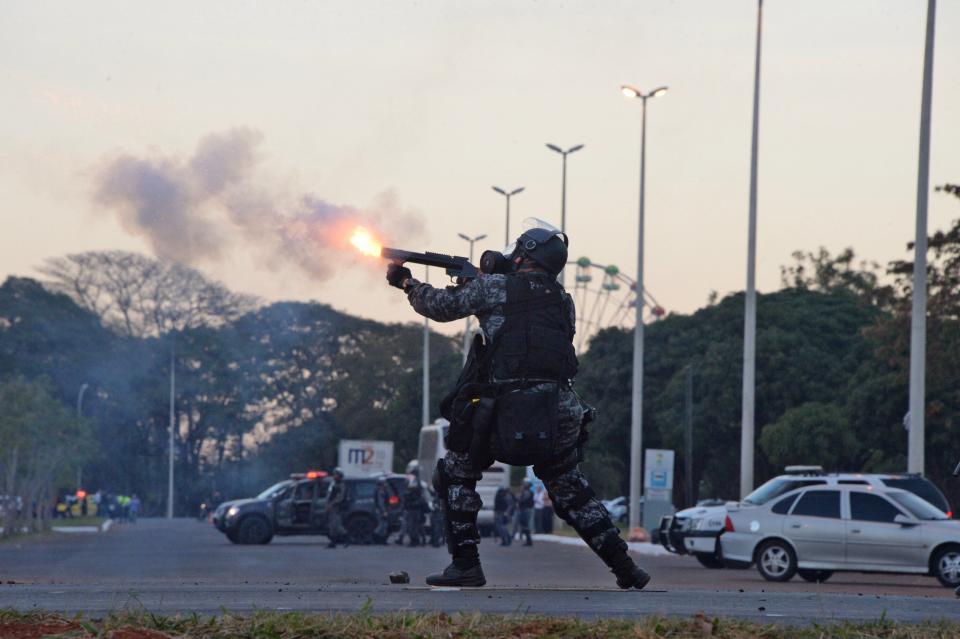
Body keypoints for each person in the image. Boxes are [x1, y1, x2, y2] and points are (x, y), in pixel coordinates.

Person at [385, 218, 650, 589]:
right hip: (558, 409)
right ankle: (626, 568)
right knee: (571, 488)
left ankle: (466, 565)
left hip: (505, 408)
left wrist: (408, 283)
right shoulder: (564, 301)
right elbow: (529, 325)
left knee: (456, 473)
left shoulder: (494, 288)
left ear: (525, 254)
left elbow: (441, 306)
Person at [325, 468, 349, 548]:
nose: (334, 476)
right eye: (334, 474)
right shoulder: (333, 483)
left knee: (337, 525)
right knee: (332, 526)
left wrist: (332, 504)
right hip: (331, 507)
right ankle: (333, 543)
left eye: (336, 474)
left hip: (337, 507)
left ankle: (347, 539)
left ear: (340, 475)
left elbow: (340, 498)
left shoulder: (341, 485)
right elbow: (329, 495)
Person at [403, 475, 426, 547]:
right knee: (412, 527)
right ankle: (415, 540)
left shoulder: (418, 495)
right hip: (412, 511)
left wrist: (412, 504)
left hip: (416, 511)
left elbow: (421, 502)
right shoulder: (410, 494)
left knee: (415, 527)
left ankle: (416, 540)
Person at [373, 476, 391, 544]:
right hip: (381, 511)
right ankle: (375, 537)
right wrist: (384, 511)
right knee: (382, 525)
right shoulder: (381, 491)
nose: (386, 484)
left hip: (380, 510)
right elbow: (381, 503)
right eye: (385, 483)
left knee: (384, 525)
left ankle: (381, 540)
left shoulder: (380, 490)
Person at [517, 479, 534, 546]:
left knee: (525, 525)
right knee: (525, 525)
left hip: (525, 510)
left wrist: (519, 499)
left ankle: (529, 541)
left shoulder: (527, 492)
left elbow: (523, 500)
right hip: (525, 509)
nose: (522, 485)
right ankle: (528, 541)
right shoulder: (527, 492)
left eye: (523, 484)